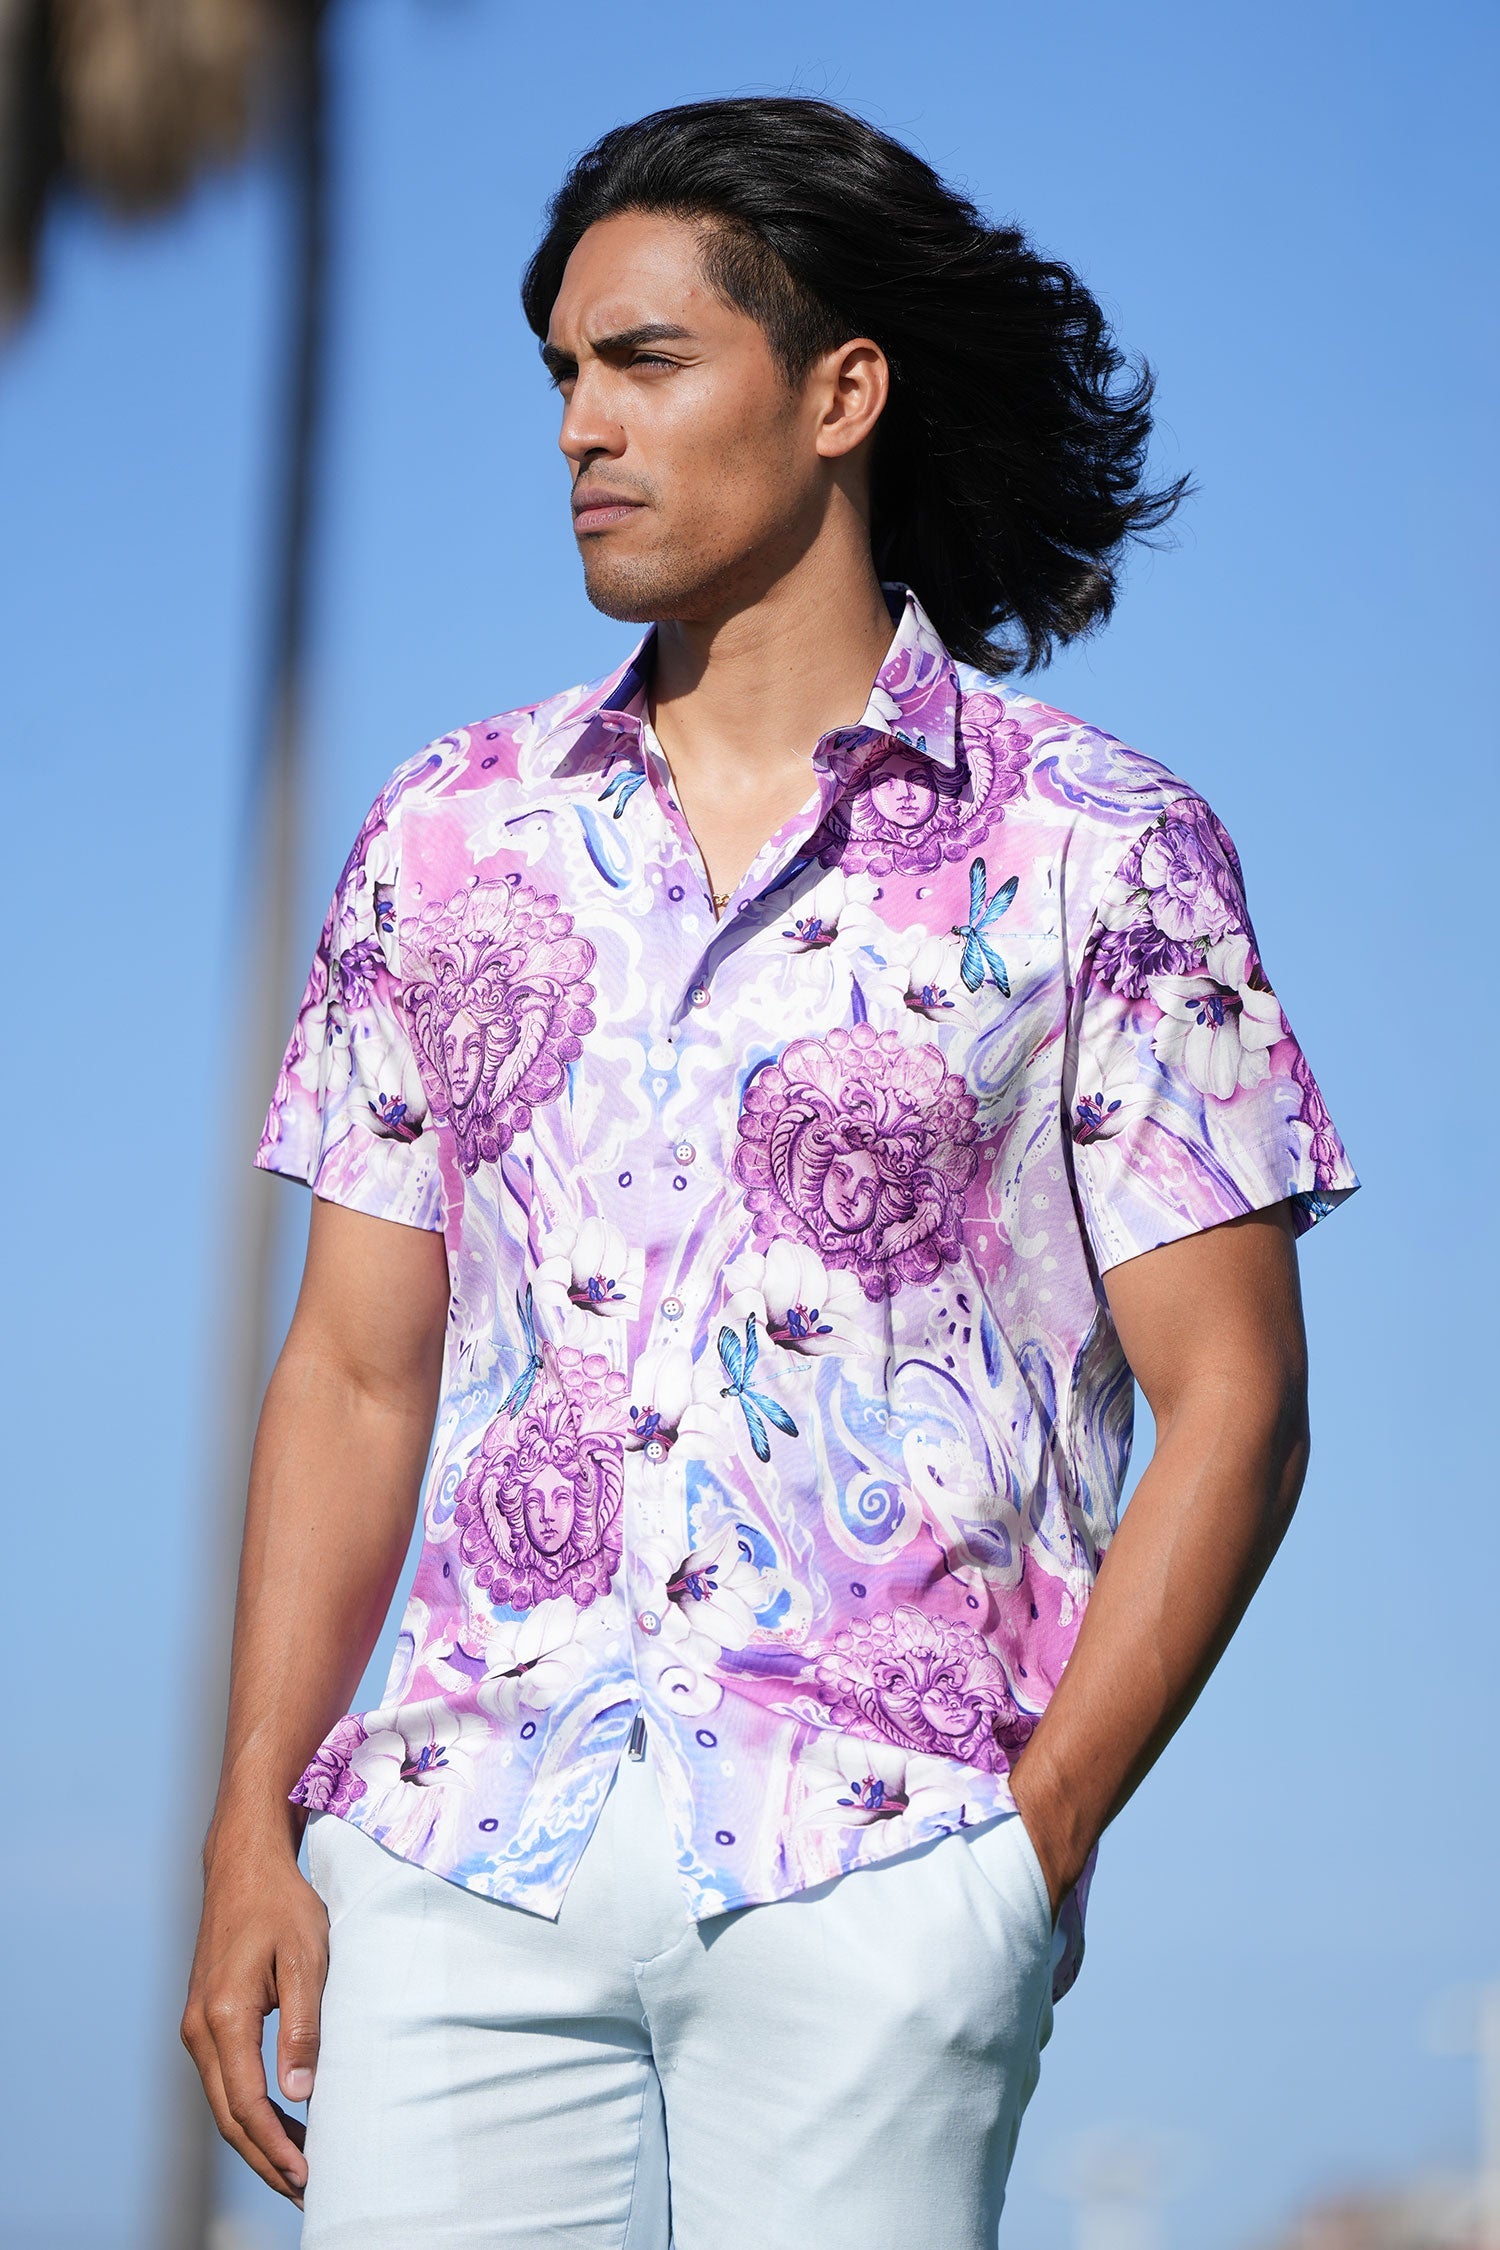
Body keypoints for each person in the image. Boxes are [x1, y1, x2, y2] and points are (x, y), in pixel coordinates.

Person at [181, 94, 1357, 2250]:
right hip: (456, 1851)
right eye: (563, 371)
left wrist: (1028, 1848)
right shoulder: (449, 833)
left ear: (840, 394)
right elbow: (356, 1368)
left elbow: (1240, 1399)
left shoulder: (1100, 847)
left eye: (645, 360)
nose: (580, 425)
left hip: (884, 1864)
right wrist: (253, 1820)